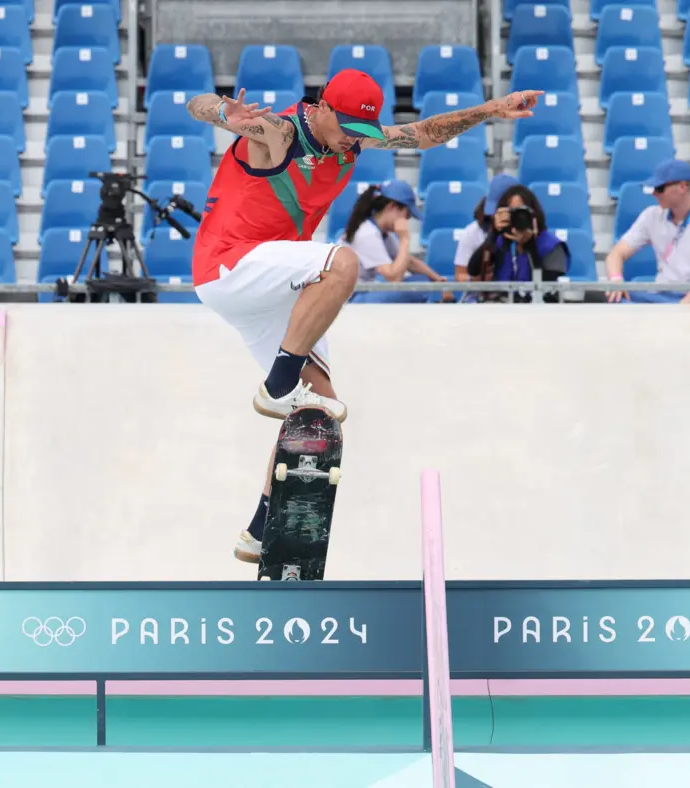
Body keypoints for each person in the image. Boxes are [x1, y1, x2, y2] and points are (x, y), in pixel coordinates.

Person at [183, 68, 543, 563]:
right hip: (230, 264)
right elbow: (196, 105)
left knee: (321, 415)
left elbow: (422, 133)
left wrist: (490, 109)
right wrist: (225, 112)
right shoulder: (278, 132)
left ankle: (260, 527)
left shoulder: (352, 141)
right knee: (343, 263)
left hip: (269, 283)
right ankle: (278, 385)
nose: (353, 140)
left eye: (362, 132)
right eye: (347, 128)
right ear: (323, 108)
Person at [602, 159, 690, 304]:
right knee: (611, 296)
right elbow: (616, 254)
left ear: (682, 187)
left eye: (660, 188)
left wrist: (680, 309)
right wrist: (616, 280)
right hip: (661, 294)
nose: (654, 193)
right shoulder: (651, 215)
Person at [340, 180, 450, 304]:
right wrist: (404, 239)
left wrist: (438, 280)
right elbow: (394, 278)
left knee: (421, 281)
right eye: (406, 215)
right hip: (351, 299)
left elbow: (409, 262)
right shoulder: (367, 233)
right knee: (418, 288)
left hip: (363, 292)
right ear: (392, 207)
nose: (406, 220)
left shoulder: (381, 232)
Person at [466, 184, 570, 302]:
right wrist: (493, 234)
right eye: (511, 212)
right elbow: (473, 270)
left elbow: (547, 288)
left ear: (534, 214)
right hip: (502, 306)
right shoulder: (502, 242)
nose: (518, 217)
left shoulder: (551, 245)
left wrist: (530, 246)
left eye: (522, 212)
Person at [453, 173, 521, 295]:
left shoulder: (527, 232)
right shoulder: (471, 232)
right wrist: (477, 279)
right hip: (481, 297)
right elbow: (460, 275)